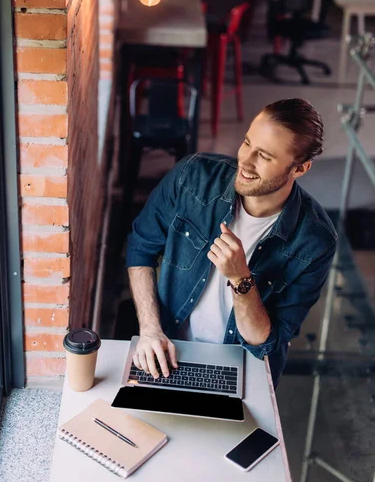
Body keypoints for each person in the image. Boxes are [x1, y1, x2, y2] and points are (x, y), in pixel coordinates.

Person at [126, 99, 337, 388]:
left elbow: (266, 342)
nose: (245, 161)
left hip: (243, 368)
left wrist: (241, 278)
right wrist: (150, 330)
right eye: (247, 143)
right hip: (167, 350)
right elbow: (140, 247)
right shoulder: (192, 176)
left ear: (299, 169)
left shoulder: (315, 242)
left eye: (263, 156)